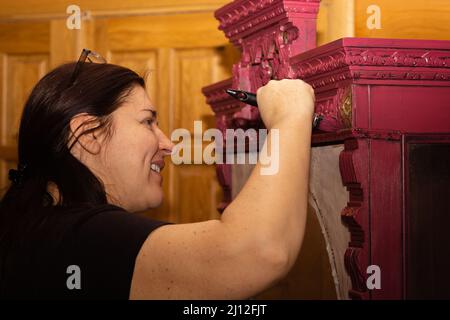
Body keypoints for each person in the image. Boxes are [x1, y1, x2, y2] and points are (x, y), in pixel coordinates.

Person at [0, 49, 315, 300]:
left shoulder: (35, 226)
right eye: (147, 121)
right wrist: (290, 118)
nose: (167, 144)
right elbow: (257, 252)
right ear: (88, 134)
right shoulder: (84, 234)